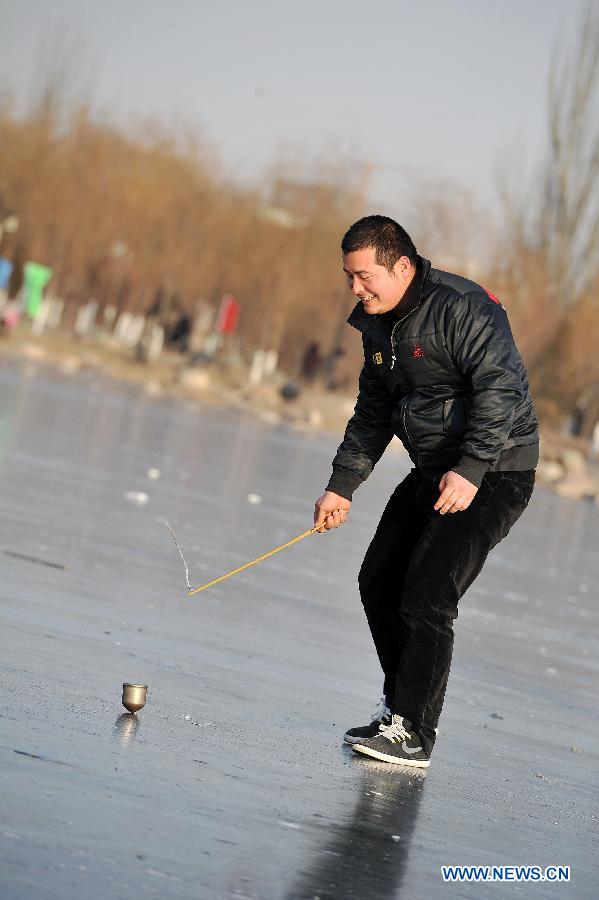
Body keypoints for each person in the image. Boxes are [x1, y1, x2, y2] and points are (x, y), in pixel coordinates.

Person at [313, 215, 539, 768]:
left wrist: (471, 467)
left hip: (495, 470)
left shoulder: (463, 307)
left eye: (365, 276)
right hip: (435, 468)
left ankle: (415, 730)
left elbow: (500, 388)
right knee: (379, 580)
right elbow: (372, 413)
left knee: (429, 594)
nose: (355, 289)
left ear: (402, 266)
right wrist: (342, 486)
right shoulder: (377, 326)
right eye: (349, 277)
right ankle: (398, 711)